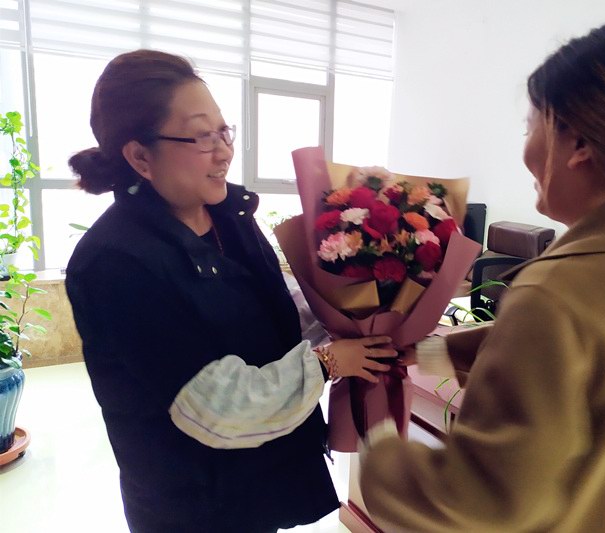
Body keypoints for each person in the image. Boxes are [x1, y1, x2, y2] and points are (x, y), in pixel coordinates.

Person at [359, 21, 605, 532]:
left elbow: (480, 503)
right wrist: (432, 351)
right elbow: (578, 361)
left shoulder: (554, 293)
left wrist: (375, 444)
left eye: (530, 127)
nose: (526, 149)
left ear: (578, 143)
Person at [65, 49, 397, 532]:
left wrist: (359, 314)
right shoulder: (117, 262)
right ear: (140, 156)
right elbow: (215, 405)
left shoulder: (227, 215)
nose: (223, 151)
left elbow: (272, 307)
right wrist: (328, 362)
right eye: (202, 136)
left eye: (224, 132)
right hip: (195, 503)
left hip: (258, 481)